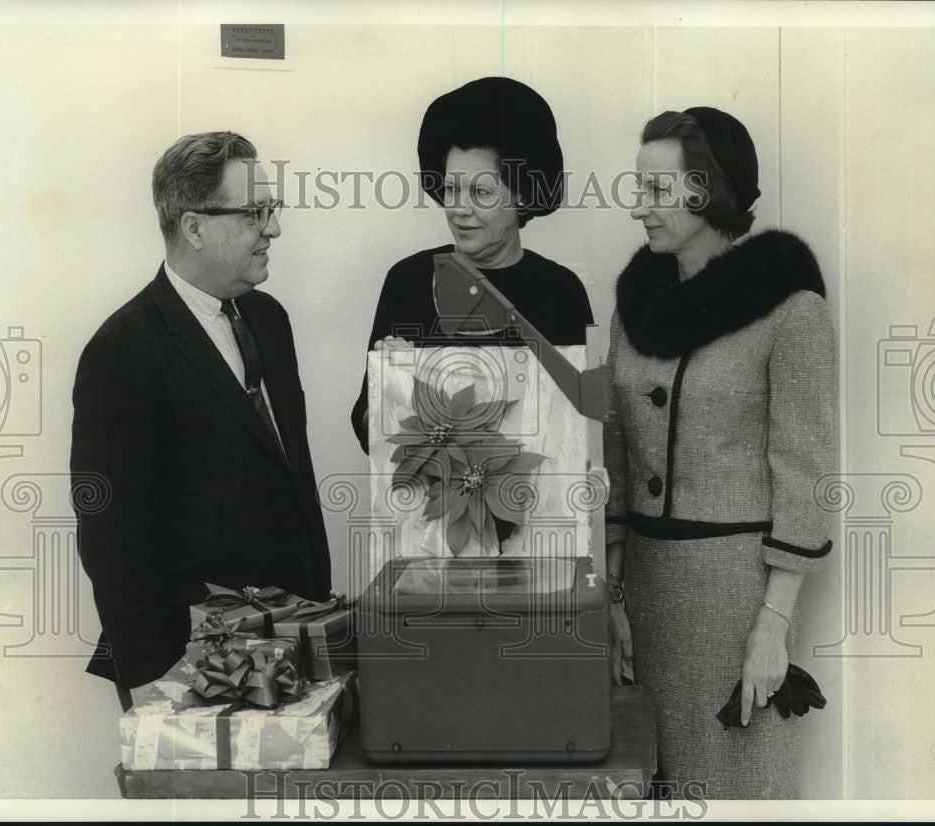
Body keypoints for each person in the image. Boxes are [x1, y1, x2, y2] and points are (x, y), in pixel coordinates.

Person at [603, 108, 837, 798]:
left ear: (708, 194)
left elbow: (805, 472)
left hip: (735, 602)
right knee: (644, 787)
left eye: (657, 191)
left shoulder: (791, 309)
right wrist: (612, 596)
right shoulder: (633, 306)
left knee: (732, 789)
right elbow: (615, 446)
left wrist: (774, 626)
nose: (638, 208)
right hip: (643, 595)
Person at [71, 131, 332, 692]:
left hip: (291, 636)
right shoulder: (122, 351)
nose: (274, 227)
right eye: (255, 212)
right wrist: (147, 682)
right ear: (194, 227)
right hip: (190, 666)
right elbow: (112, 541)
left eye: (272, 208)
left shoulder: (268, 319)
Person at [350, 76, 595, 451]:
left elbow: (586, 420)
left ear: (523, 196)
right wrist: (392, 389)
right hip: (428, 503)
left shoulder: (561, 290)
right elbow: (367, 425)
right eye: (451, 189)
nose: (459, 209)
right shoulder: (409, 279)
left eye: (480, 192)